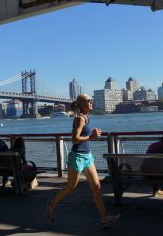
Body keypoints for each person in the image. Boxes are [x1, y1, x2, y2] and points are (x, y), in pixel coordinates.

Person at [47, 94, 120, 229]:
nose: (91, 102)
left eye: (91, 100)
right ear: (81, 104)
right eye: (88, 101)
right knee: (71, 187)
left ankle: (104, 218)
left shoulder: (86, 117)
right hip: (77, 157)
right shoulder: (80, 118)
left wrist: (92, 134)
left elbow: (84, 136)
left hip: (88, 156)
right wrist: (91, 136)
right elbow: (74, 139)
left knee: (97, 187)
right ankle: (52, 204)